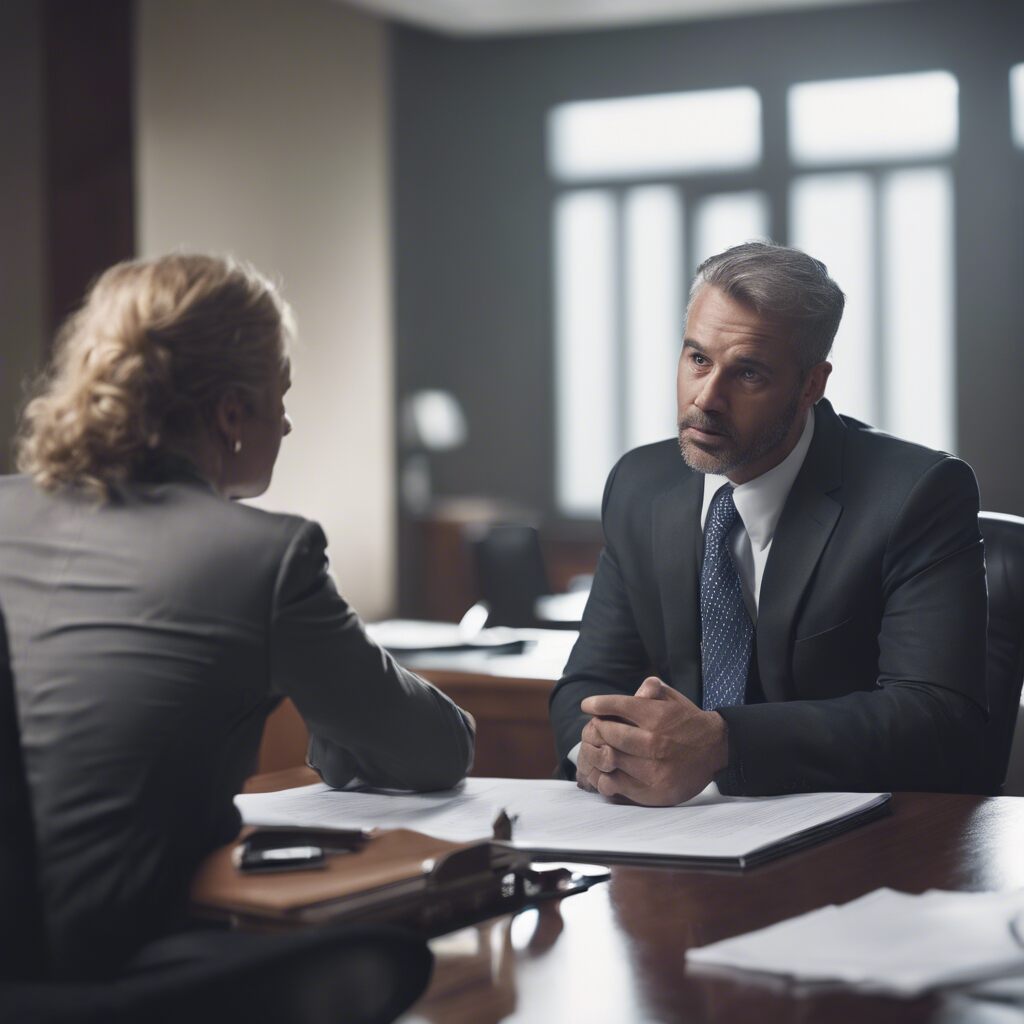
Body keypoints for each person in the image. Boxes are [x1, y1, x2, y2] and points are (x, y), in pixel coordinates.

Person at [0, 253, 475, 979]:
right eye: (279, 397)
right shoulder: (263, 558)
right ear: (230, 414)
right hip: (117, 971)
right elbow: (436, 749)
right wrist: (338, 713)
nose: (285, 423)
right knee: (401, 960)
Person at [549, 242, 988, 805]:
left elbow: (940, 716)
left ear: (811, 385)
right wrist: (600, 752)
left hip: (866, 837)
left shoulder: (915, 493)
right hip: (676, 832)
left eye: (748, 373)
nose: (707, 398)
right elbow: (587, 684)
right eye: (698, 359)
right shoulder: (640, 484)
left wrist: (725, 744)